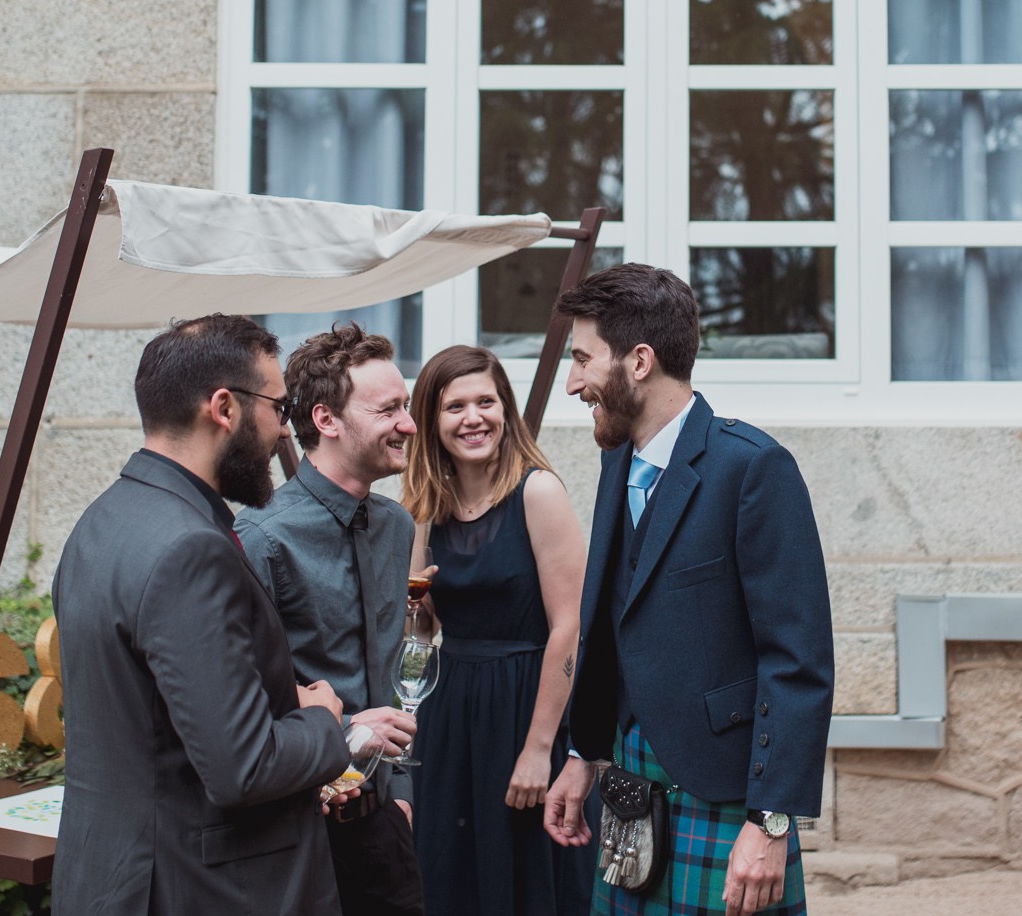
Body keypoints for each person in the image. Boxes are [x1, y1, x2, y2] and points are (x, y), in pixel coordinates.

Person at [541, 264, 833, 916]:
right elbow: (617, 622)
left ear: (639, 360)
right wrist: (584, 752)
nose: (572, 382)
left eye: (583, 358)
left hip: (725, 800)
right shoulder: (619, 458)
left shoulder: (752, 467)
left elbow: (798, 665)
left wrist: (772, 825)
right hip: (628, 784)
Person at [52, 313, 350, 915]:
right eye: (280, 409)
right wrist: (323, 722)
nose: (282, 432)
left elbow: (153, 712)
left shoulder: (101, 521)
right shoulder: (192, 547)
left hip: (111, 876)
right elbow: (244, 768)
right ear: (224, 408)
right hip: (197, 889)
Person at [235, 322, 425, 916]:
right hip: (295, 826)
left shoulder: (398, 526)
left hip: (382, 821)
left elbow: (390, 673)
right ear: (326, 419)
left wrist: (399, 794)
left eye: (407, 406)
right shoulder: (259, 537)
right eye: (389, 409)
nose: (409, 424)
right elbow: (238, 695)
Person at [401, 345, 594, 916]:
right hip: (450, 713)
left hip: (527, 708)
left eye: (485, 401)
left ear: (505, 409)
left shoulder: (538, 491)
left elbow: (570, 627)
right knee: (449, 872)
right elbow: (421, 628)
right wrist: (414, 605)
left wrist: (538, 751)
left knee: (529, 875)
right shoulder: (424, 505)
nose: (473, 418)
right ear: (432, 422)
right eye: (454, 406)